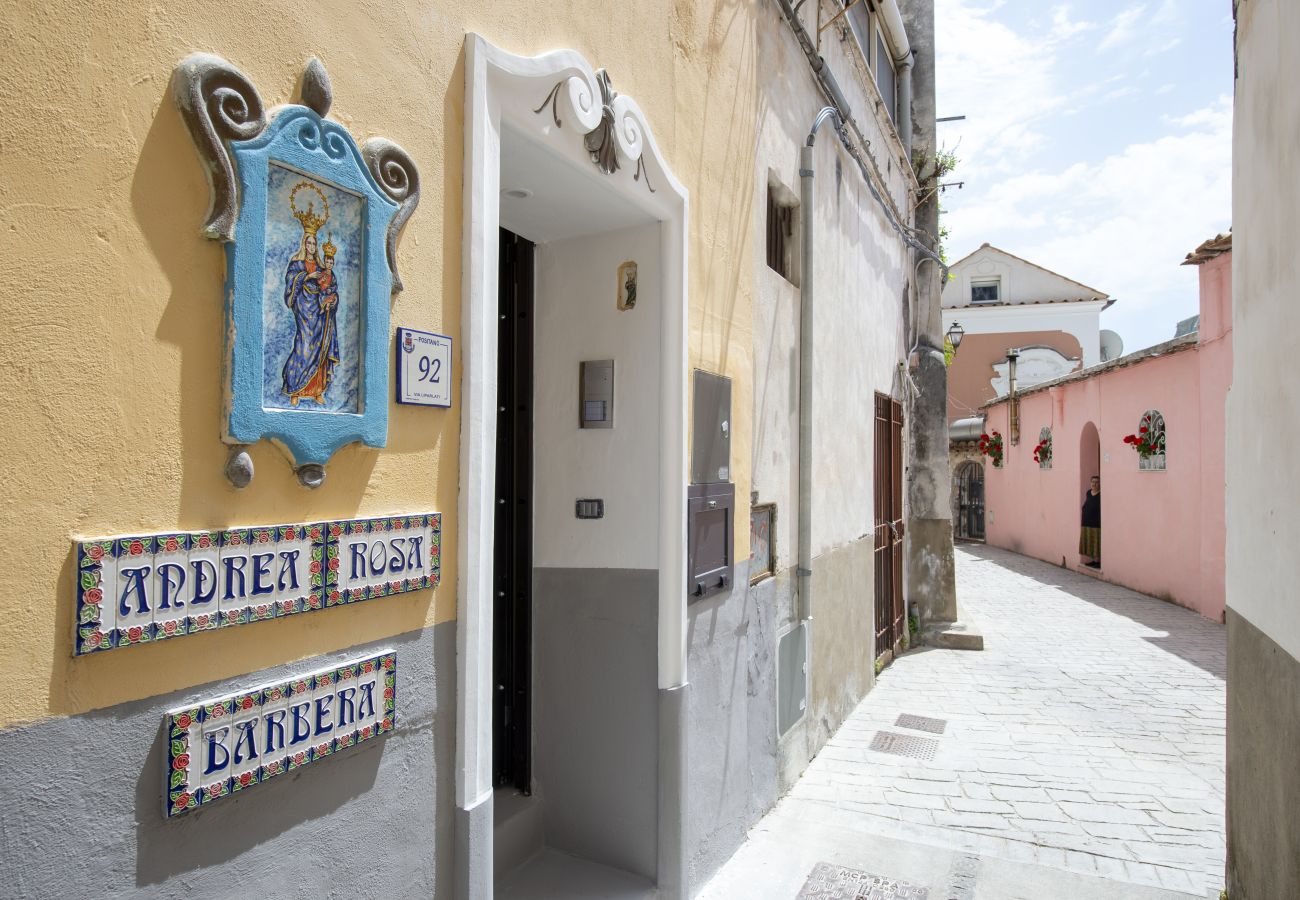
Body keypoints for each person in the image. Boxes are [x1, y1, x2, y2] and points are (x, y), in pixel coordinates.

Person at [281, 202, 340, 407]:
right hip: (304, 312)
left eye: (314, 244)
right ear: (303, 244)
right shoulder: (296, 265)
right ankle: (295, 389)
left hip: (320, 312)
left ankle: (316, 390)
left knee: (320, 349)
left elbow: (332, 288)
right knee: (303, 346)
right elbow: (291, 283)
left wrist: (330, 301)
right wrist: (307, 277)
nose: (312, 247)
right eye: (309, 243)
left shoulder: (323, 268)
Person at [1079, 475, 1101, 568]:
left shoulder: (1101, 494)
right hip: (1086, 521)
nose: (1094, 484)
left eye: (1096, 482)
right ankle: (1093, 560)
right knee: (1089, 542)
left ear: (1099, 484)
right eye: (1093, 482)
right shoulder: (1088, 492)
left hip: (1096, 523)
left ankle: (1098, 561)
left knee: (1096, 542)